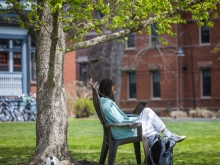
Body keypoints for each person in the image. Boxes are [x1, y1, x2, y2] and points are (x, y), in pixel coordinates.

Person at [98, 78, 186, 142]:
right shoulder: (107, 104)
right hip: (125, 131)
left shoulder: (104, 102)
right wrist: (133, 119)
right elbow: (120, 121)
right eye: (113, 90)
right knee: (153, 127)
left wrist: (131, 117)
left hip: (122, 129)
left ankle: (168, 135)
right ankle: (165, 140)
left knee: (147, 111)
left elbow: (118, 118)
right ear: (108, 90)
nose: (114, 92)